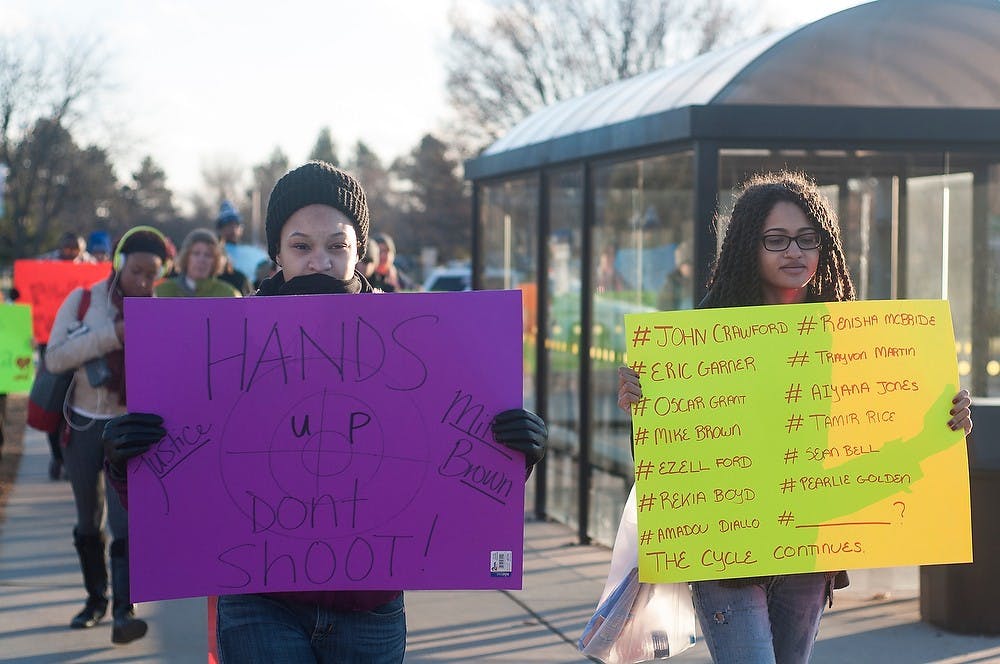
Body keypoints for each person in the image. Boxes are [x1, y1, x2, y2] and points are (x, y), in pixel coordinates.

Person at [101, 161, 548, 663]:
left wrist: (513, 454)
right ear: (276, 253)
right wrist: (125, 462)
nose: (320, 260)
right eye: (301, 245)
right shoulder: (221, 342)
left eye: (337, 245)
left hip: (370, 606)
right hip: (258, 601)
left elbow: (447, 472)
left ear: (361, 251)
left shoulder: (418, 343)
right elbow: (184, 480)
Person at [616, 171, 974, 664]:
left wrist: (946, 420)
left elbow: (880, 435)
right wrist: (643, 406)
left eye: (809, 239)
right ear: (748, 244)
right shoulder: (701, 338)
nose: (795, 252)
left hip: (810, 547)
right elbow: (667, 464)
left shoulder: (851, 336)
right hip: (727, 552)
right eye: (777, 239)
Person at [43, 225, 171, 645]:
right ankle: (95, 600)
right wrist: (109, 337)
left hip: (129, 432)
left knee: (126, 524)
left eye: (154, 274)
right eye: (137, 271)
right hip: (82, 425)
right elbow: (57, 356)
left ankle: (123, 611)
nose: (145, 282)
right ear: (119, 264)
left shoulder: (163, 308)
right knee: (87, 520)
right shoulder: (84, 301)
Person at [38, 232, 98, 479]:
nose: (71, 253)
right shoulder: (44, 265)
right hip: (49, 339)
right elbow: (30, 289)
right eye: (67, 248)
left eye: (75, 249)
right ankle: (57, 455)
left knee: (78, 403)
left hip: (84, 342)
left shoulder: (93, 267)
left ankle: (73, 456)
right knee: (52, 399)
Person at [155, 228, 242, 298]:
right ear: (186, 257)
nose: (201, 260)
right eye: (196, 253)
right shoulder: (162, 292)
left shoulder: (228, 295)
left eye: (208, 255)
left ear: (216, 261)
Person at [216, 200, 270, 284]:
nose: (232, 229)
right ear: (220, 229)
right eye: (227, 225)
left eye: (235, 225)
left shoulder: (253, 252)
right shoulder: (215, 253)